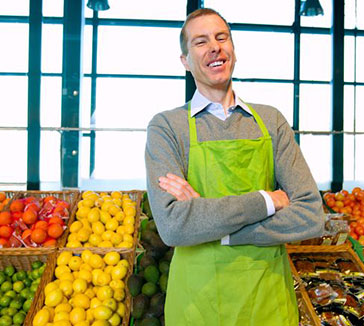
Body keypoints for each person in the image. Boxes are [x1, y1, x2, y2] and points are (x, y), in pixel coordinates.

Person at [144, 8, 325, 326]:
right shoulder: (167, 127)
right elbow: (174, 226)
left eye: (221, 37)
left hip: (268, 302)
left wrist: (211, 226)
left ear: (233, 51)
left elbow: (310, 217)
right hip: (197, 306)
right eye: (200, 41)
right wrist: (266, 201)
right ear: (185, 61)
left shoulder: (271, 121)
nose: (214, 46)